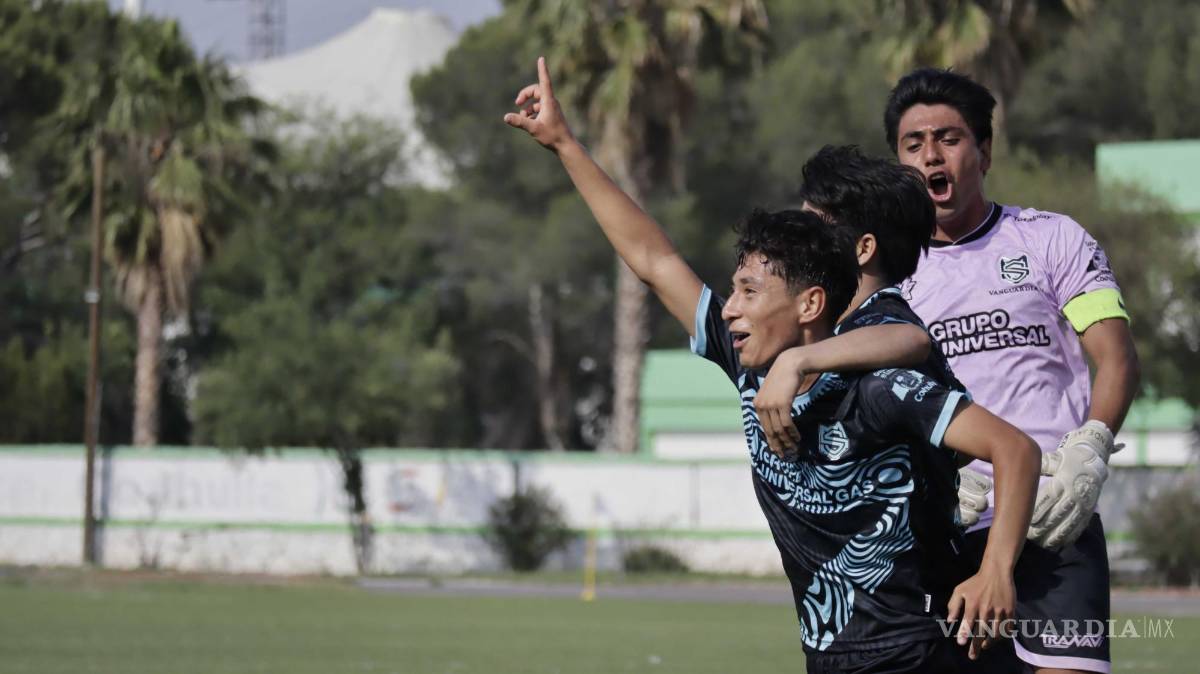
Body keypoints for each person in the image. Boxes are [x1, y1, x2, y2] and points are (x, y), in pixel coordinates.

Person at [504, 57, 1040, 673]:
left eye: (815, 225)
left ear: (856, 253)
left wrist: (997, 572)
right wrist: (566, 144)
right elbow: (653, 260)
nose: (796, 233)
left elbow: (923, 356)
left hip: (925, 650)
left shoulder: (884, 361)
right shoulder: (761, 350)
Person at [885, 67, 1141, 673]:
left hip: (1054, 518)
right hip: (946, 527)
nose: (931, 156)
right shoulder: (885, 274)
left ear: (985, 151)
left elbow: (1116, 355)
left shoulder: (1053, 239)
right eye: (913, 144)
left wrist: (1092, 446)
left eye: (949, 138)